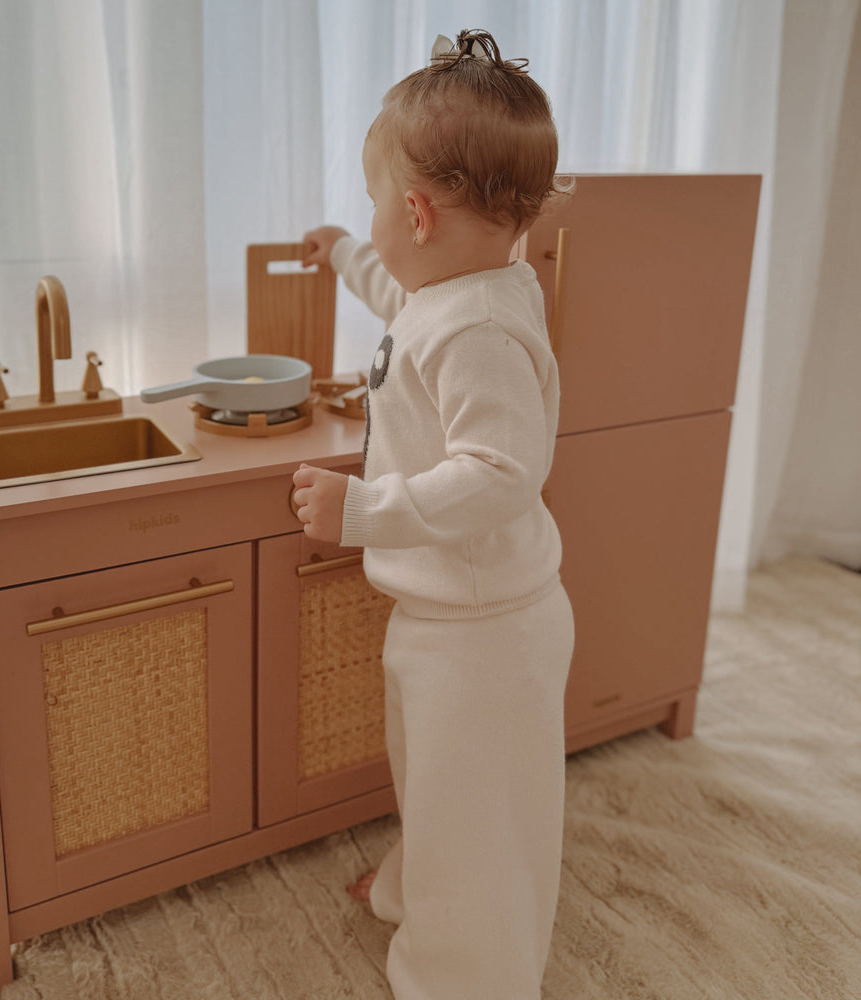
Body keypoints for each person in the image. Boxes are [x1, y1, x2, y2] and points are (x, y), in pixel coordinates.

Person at [291, 28, 574, 1000]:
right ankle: (423, 890)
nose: (371, 222)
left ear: (413, 210)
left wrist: (363, 506)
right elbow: (402, 304)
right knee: (442, 792)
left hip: (486, 629)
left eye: (373, 205)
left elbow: (500, 472)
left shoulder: (483, 329)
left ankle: (464, 976)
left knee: (477, 811)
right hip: (449, 615)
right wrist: (340, 253)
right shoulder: (461, 285)